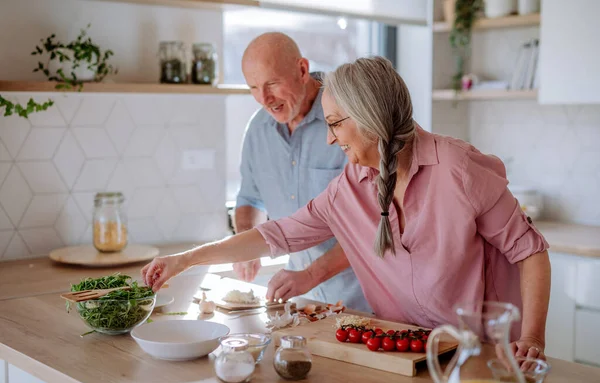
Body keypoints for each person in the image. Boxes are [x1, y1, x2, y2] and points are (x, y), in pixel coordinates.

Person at [142, 56, 551, 360]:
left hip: (481, 353)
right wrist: (187, 260)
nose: (330, 139)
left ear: (370, 117)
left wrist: (532, 338)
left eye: (336, 124)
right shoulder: (350, 188)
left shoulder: (457, 169)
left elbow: (530, 252)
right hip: (402, 353)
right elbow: (276, 235)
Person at [230, 32, 370, 312]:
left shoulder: (347, 120)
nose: (264, 98)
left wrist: (310, 275)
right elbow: (250, 198)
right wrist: (245, 246)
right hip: (301, 304)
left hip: (363, 300)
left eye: (272, 84)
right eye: (254, 87)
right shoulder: (257, 130)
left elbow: (370, 226)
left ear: (302, 70)